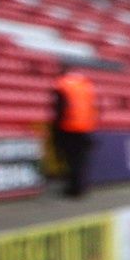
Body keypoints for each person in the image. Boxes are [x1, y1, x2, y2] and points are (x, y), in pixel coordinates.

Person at [48, 67, 99, 198]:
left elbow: (59, 108)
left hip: (68, 127)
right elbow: (94, 107)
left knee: (71, 159)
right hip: (86, 128)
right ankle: (81, 186)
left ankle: (74, 189)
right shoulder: (85, 85)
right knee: (81, 160)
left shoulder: (62, 84)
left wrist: (56, 128)